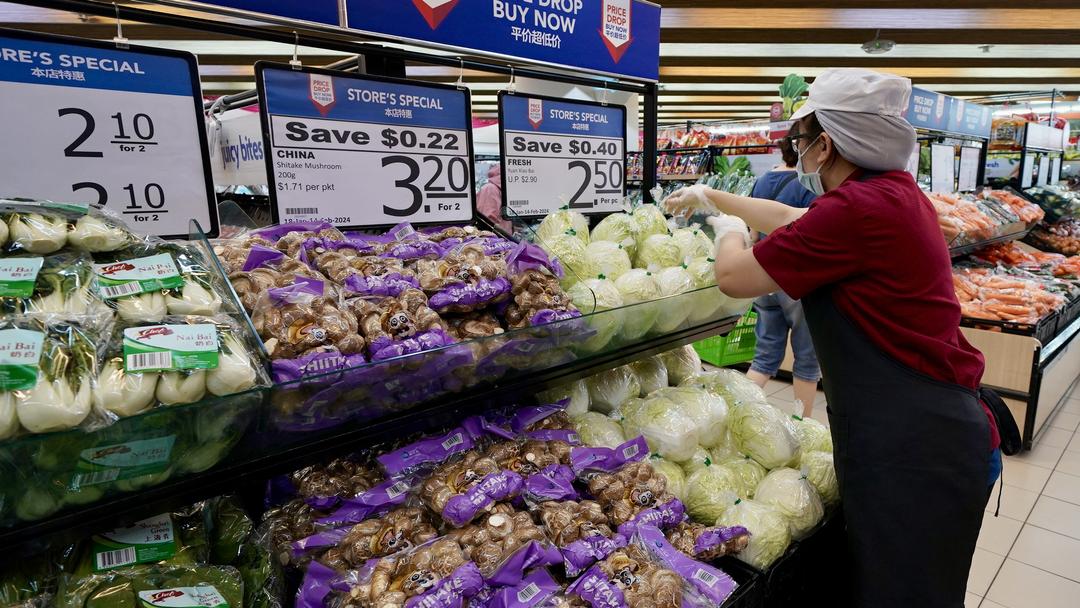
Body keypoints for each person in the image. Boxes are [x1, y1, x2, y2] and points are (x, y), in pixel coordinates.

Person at [665, 68, 1001, 608]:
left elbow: (735, 278)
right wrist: (715, 197)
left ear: (826, 144)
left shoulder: (860, 209)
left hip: (919, 449)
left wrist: (727, 234)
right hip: (927, 428)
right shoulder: (889, 194)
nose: (797, 152)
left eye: (800, 140)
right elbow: (791, 216)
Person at [746, 138, 820, 417]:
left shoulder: (763, 180)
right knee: (807, 359)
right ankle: (804, 427)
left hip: (763, 274)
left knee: (764, 356)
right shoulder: (809, 185)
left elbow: (753, 232)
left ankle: (740, 412)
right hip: (796, 282)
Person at [476, 163, 511, 233]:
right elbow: (488, 221)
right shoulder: (490, 189)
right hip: (495, 239)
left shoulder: (501, 189)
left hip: (504, 239)